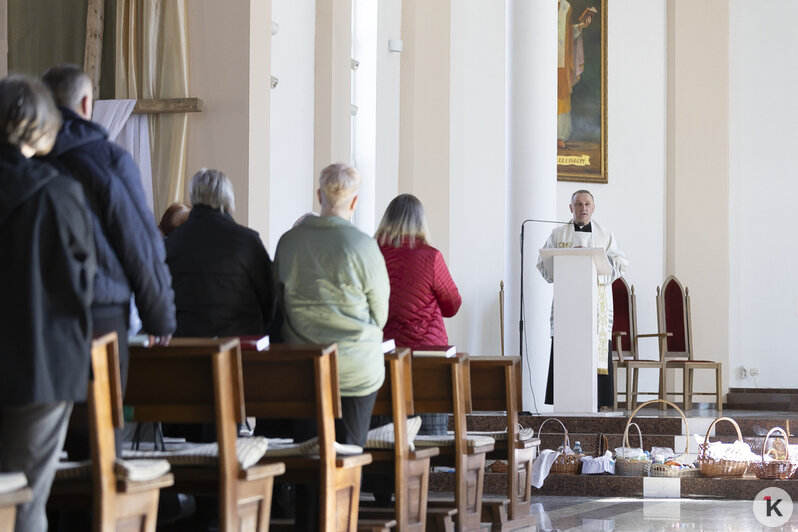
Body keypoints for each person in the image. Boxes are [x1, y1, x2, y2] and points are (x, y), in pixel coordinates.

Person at [41, 64, 175, 393]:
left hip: (33, 311)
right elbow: (139, 243)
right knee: (99, 432)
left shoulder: (25, 159)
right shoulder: (109, 159)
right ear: (87, 104)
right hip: (99, 311)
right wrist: (159, 316)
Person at [0, 75, 95, 532]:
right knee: (25, 501)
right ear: (40, 126)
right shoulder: (58, 192)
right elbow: (81, 281)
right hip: (40, 364)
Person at [274, 162, 389, 531]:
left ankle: (308, 524)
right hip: (356, 368)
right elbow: (380, 312)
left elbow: (278, 301)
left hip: (305, 367)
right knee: (349, 454)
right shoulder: (362, 244)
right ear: (354, 202)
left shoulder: (290, 242)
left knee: (310, 455)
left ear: (318, 196)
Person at [375, 193, 461, 434]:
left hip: (385, 354)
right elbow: (452, 305)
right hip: (427, 356)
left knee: (385, 433)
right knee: (430, 434)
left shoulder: (372, 253)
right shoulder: (430, 256)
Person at [536, 189, 627, 409]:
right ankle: (564, 400)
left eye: (587, 204)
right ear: (571, 208)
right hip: (568, 306)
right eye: (578, 204)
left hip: (594, 306)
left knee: (594, 347)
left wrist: (596, 268)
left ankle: (598, 402)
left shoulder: (605, 235)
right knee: (566, 349)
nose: (583, 209)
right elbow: (543, 263)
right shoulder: (559, 235)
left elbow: (620, 263)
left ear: (593, 208)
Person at [166, 169, 275, 338]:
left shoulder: (171, 243)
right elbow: (270, 298)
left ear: (193, 198)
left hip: (185, 346)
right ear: (228, 200)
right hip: (239, 346)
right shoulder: (247, 242)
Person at [558, 0, 594, 148]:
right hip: (541, 61)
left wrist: (580, 26)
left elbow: (567, 32)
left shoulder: (567, 7)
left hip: (561, 60)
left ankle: (559, 136)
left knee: (562, 96)